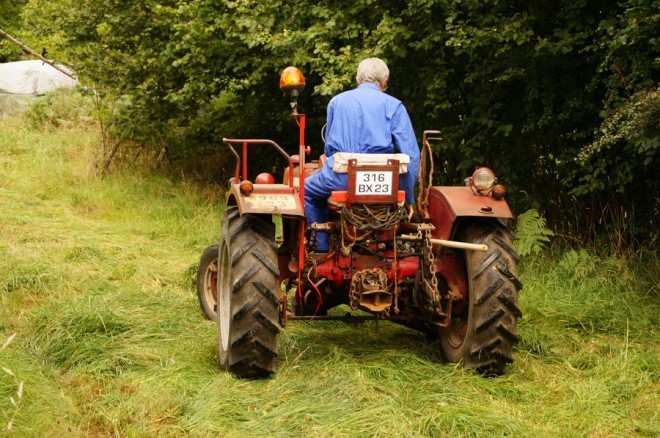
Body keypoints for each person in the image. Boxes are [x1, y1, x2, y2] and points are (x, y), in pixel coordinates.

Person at [304, 57, 420, 251]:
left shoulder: (337, 102)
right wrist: (408, 197)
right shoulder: (394, 106)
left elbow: (330, 150)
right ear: (384, 83)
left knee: (306, 191)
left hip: (342, 178)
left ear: (358, 79)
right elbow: (411, 155)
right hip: (386, 183)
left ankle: (320, 247)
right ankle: (389, 245)